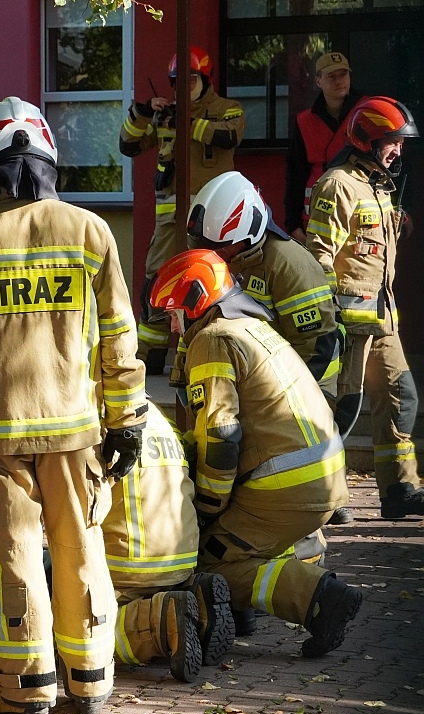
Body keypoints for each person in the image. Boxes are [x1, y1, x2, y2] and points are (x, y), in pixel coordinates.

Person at [0, 97, 147, 714]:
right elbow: (120, 339)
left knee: (13, 552)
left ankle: (24, 690)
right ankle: (90, 680)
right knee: (80, 547)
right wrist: (128, 419)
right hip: (77, 430)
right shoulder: (92, 233)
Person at [150, 250, 360, 659]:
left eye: (174, 314)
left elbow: (222, 436)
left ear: (194, 302)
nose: (174, 327)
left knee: (204, 560)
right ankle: (272, 585)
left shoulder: (212, 340)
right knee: (239, 538)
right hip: (322, 475)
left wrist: (207, 506)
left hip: (287, 488)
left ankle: (321, 600)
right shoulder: (251, 326)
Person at [188, 171, 349, 529]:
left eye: (219, 248)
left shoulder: (290, 266)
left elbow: (319, 347)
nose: (211, 256)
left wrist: (310, 409)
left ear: (248, 234)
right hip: (251, 387)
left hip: (293, 398)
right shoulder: (230, 255)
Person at [306, 96, 423, 519]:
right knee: (341, 413)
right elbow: (318, 254)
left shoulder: (379, 185)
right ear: (367, 140)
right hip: (347, 328)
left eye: (399, 142)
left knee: (400, 398)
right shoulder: (338, 185)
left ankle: (399, 491)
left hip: (382, 322)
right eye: (391, 141)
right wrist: (326, 318)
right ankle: (326, 497)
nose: (398, 150)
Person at [119, 46, 246, 374]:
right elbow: (128, 145)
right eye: (177, 81)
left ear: (205, 79)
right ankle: (151, 352)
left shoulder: (226, 109)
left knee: (206, 279)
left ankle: (203, 351)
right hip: (170, 218)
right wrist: (145, 111)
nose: (182, 87)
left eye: (190, 80)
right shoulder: (165, 114)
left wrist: (187, 121)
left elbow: (228, 137)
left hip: (212, 217)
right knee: (157, 279)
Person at [104, 406, 234, 681]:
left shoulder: (95, 415)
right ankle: (198, 604)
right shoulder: (158, 415)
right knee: (142, 596)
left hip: (128, 562)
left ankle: (160, 624)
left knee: (73, 635)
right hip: (181, 556)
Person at [284, 52, 363, 243]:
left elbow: (389, 161)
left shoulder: (366, 111)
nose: (339, 81)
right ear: (318, 81)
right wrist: (292, 223)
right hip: (317, 216)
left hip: (359, 213)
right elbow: (296, 172)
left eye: (343, 74)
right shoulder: (304, 121)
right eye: (331, 76)